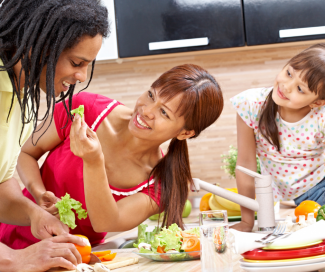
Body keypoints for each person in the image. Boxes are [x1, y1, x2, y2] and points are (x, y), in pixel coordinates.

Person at [0, 64, 224, 249]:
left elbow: (106, 221)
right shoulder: (86, 109)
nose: (146, 110)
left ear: (185, 132)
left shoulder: (162, 183)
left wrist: (94, 161)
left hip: (74, 258)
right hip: (10, 238)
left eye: (164, 112)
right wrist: (39, 196)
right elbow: (25, 152)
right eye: (150, 95)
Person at [0, 0, 109, 270]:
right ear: (40, 46)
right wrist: (12, 258)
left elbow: (1, 186)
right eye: (76, 62)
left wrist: (34, 213)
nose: (82, 76)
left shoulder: (20, 97)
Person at [230, 43, 325, 232]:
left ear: (317, 102)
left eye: (300, 89)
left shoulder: (321, 116)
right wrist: (247, 221)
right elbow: (245, 166)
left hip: (318, 189)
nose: (286, 87)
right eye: (289, 73)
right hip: (278, 197)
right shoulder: (250, 105)